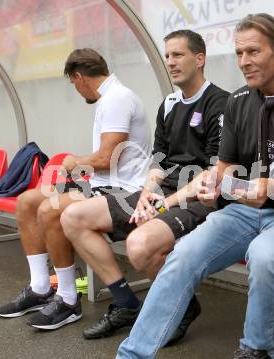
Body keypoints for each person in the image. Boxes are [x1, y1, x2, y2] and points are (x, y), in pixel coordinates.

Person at [114, 13, 274, 359]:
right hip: (244, 212)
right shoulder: (238, 102)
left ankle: (256, 351)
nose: (244, 62)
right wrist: (211, 187)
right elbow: (221, 171)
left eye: (253, 52)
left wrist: (270, 187)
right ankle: (132, 354)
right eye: (239, 53)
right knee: (183, 255)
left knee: (264, 254)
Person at [60, 30, 229, 341]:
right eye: (167, 56)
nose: (171, 62)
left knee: (140, 246)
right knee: (73, 217)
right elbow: (159, 159)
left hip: (201, 200)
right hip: (162, 192)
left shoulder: (222, 103)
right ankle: (125, 303)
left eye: (178, 55)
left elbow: (212, 174)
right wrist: (148, 192)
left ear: (200, 58)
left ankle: (183, 305)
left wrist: (163, 202)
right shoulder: (168, 104)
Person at [0, 48, 152, 331]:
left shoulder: (117, 99)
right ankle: (40, 287)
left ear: (79, 77)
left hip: (123, 192)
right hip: (102, 186)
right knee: (27, 201)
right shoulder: (111, 98)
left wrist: (74, 162)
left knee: (49, 209)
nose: (79, 92)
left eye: (74, 84)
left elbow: (105, 160)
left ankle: (68, 299)